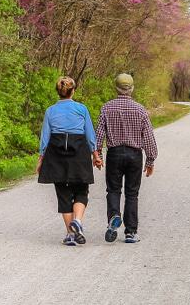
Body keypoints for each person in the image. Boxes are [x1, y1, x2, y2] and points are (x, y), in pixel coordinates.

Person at [92, 73, 157, 244]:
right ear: (132, 89)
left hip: (114, 153)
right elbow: (148, 137)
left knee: (113, 190)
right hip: (134, 155)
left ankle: (114, 215)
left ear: (116, 88)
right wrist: (150, 160)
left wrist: (97, 154)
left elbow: (99, 134)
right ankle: (130, 233)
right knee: (132, 193)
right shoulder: (140, 109)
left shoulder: (107, 108)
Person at [36, 76, 97, 246]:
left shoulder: (50, 111)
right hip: (79, 152)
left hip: (56, 153)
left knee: (63, 194)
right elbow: (89, 134)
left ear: (58, 92)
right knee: (81, 191)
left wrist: (41, 158)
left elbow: (45, 137)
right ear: (73, 91)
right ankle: (77, 221)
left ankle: (70, 235)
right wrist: (96, 154)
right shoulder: (81, 109)